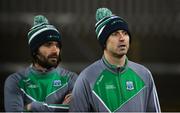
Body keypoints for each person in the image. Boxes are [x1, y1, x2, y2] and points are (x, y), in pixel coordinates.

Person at [69, 8, 161, 112]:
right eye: (115, 34)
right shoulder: (86, 78)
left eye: (125, 33)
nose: (122, 38)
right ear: (104, 42)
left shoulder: (144, 74)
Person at [4, 15, 78, 112]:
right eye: (48, 45)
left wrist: (32, 107)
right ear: (35, 50)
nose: (55, 50)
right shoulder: (15, 81)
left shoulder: (71, 79)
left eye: (57, 45)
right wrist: (60, 108)